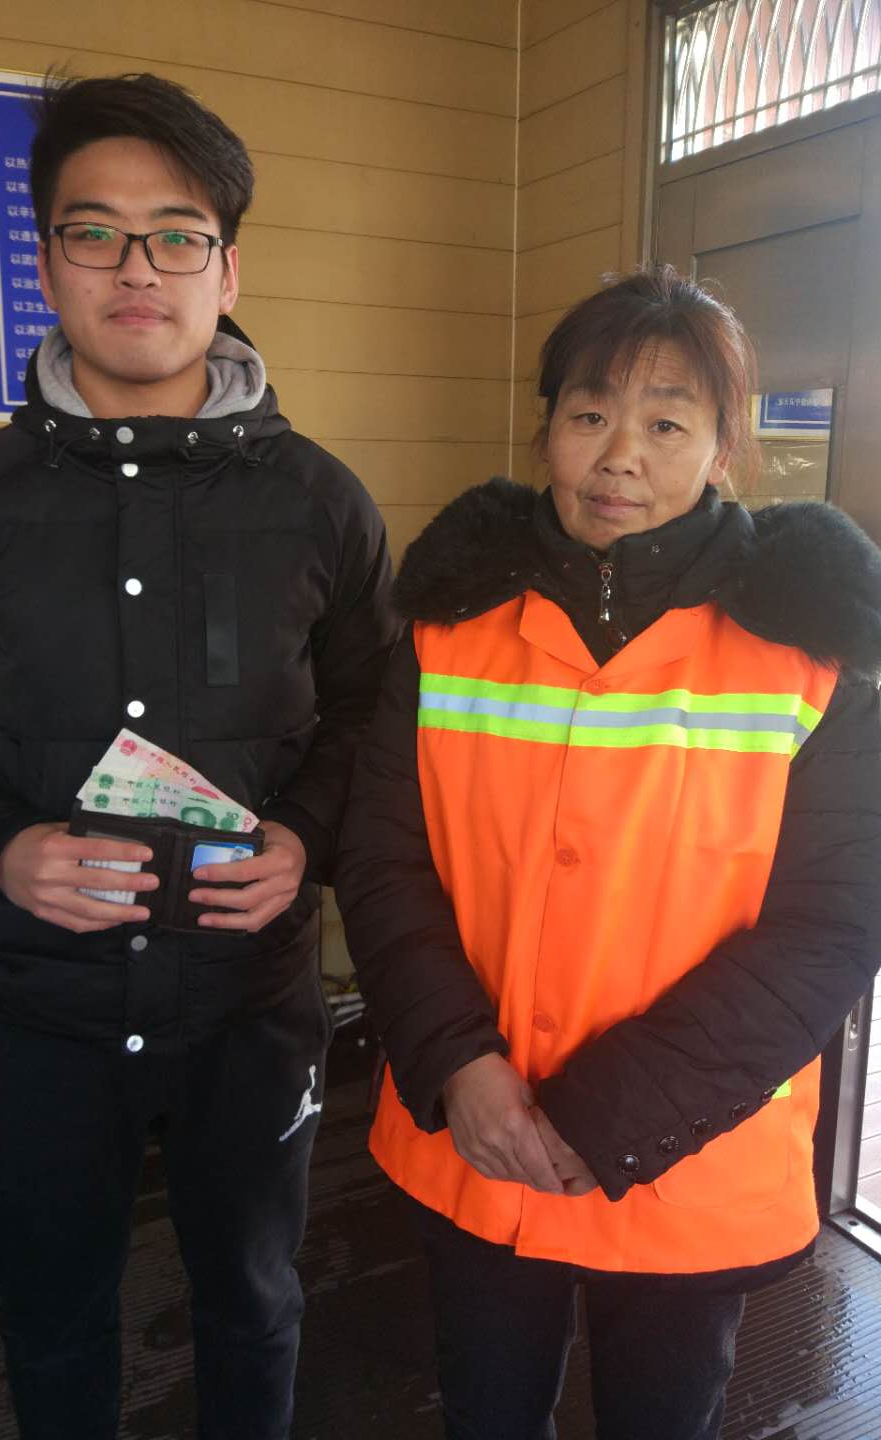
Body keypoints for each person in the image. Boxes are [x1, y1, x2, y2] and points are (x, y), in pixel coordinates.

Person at [0, 73, 395, 1440]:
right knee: (51, 1323)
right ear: (46, 265)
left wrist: (304, 840)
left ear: (227, 268)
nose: (136, 269)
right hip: (42, 1016)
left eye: (176, 235)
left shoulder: (320, 501)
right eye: (95, 233)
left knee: (256, 1305)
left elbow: (375, 718)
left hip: (251, 1011)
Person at [334, 266, 881, 1440]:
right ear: (547, 432)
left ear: (725, 450)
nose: (619, 455)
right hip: (477, 1134)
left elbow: (834, 926)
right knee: (486, 1407)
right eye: (590, 414)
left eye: (667, 424)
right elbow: (382, 861)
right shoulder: (447, 634)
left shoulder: (812, 662)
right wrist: (460, 1063)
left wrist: (611, 1112)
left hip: (692, 1149)